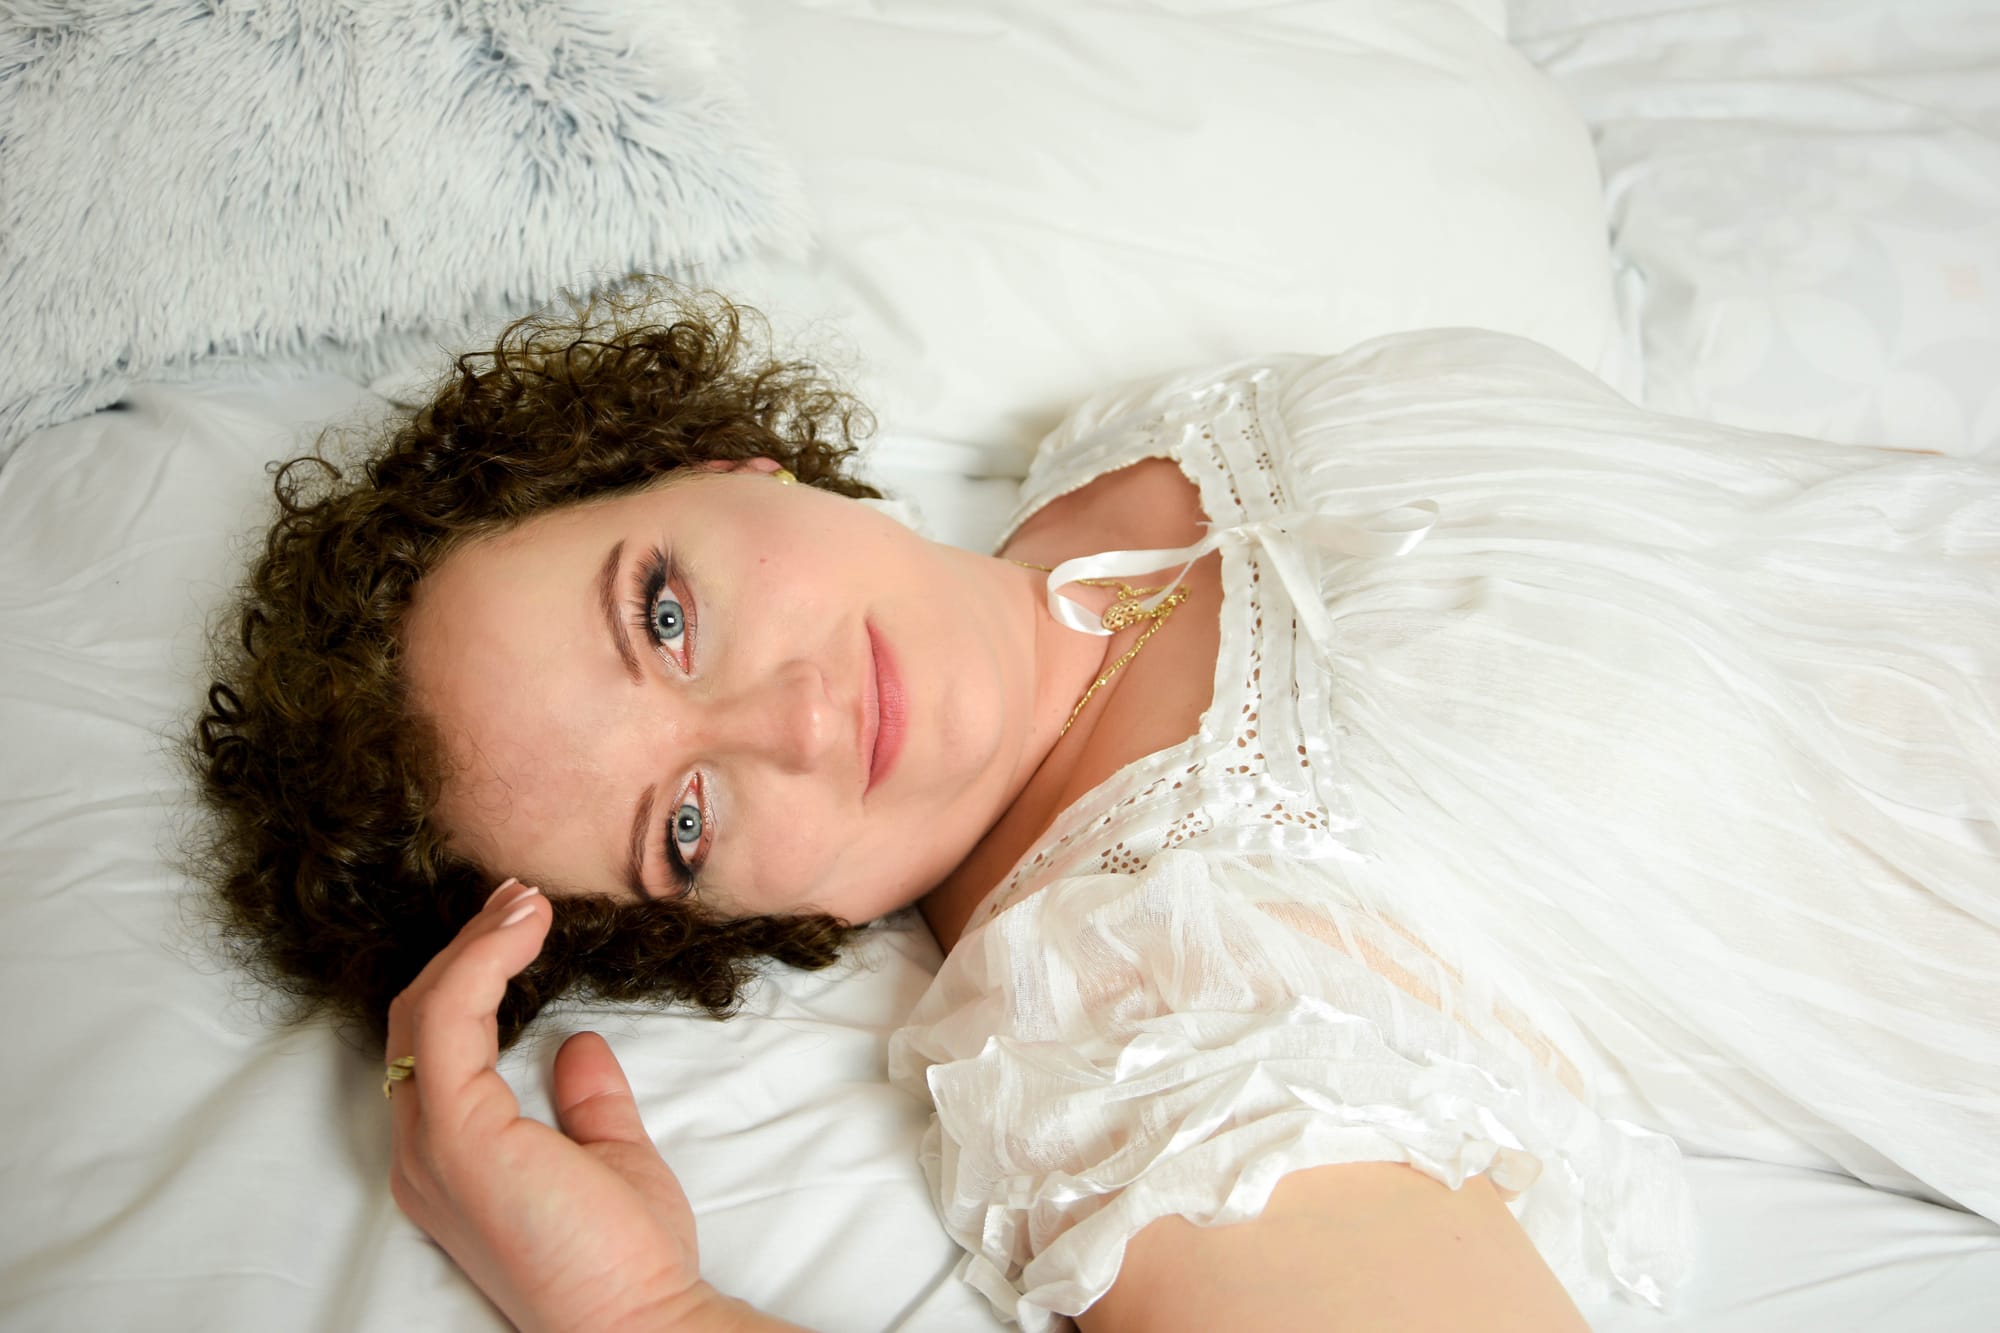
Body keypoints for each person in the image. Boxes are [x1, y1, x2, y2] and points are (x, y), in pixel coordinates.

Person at [193, 283, 2000, 1332]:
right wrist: (649, 1318)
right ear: (731, 922)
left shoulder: (1129, 444)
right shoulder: (1139, 1008)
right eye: (686, 820)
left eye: (665, 613)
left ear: (719, 462)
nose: (797, 719)